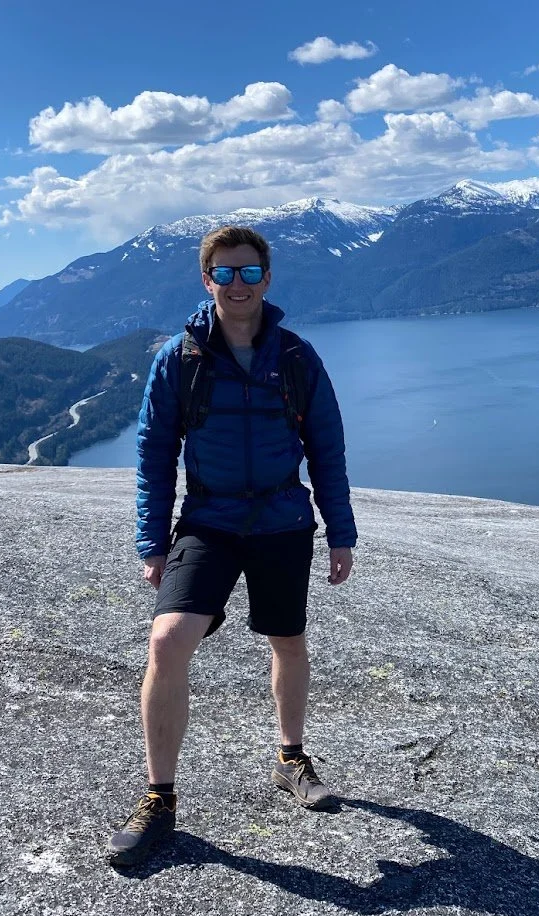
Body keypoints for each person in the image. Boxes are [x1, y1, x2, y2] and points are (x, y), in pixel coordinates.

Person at [106, 225, 357, 868]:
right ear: (206, 279)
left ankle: (290, 757)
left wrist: (340, 531)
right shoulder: (180, 357)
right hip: (209, 521)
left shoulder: (297, 359)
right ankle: (160, 797)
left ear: (267, 280)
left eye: (249, 272)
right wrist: (151, 538)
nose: (237, 284)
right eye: (225, 272)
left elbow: (326, 449)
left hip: (281, 521)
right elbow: (155, 453)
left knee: (288, 639)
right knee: (166, 640)